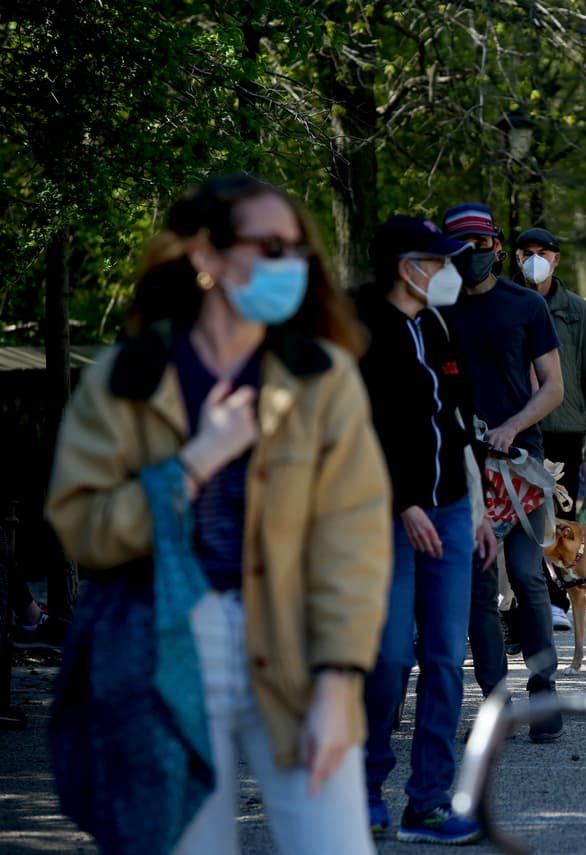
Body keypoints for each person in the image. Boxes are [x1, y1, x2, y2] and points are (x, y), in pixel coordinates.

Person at [46, 173, 393, 853]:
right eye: (269, 246)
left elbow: (353, 541)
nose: (288, 265)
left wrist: (336, 683)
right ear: (205, 255)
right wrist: (194, 463)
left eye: (297, 250)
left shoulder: (323, 376)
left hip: (296, 644)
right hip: (165, 648)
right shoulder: (124, 378)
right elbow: (81, 527)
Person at [356, 215, 498, 842]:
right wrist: (402, 502)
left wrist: (479, 509)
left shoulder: (438, 323)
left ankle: (428, 803)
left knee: (445, 659)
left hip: (448, 511)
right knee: (388, 658)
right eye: (436, 261)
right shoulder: (357, 328)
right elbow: (352, 431)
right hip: (384, 517)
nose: (447, 272)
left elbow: (460, 424)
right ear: (403, 266)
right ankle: (362, 791)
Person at [441, 202, 566, 743]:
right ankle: (494, 703)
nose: (475, 256)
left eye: (484, 245)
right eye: (463, 248)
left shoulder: (525, 306)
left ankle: (544, 694)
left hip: (522, 467)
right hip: (461, 470)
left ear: (496, 245)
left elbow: (553, 387)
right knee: (476, 589)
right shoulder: (434, 309)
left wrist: (513, 426)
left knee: (528, 577)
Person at [513, 226, 586, 632]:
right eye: (526, 252)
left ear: (556, 258)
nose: (535, 259)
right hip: (514, 429)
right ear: (515, 259)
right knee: (517, 519)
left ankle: (558, 601)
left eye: (543, 252)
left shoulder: (576, 310)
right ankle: (519, 604)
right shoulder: (505, 303)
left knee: (561, 519)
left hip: (565, 427)